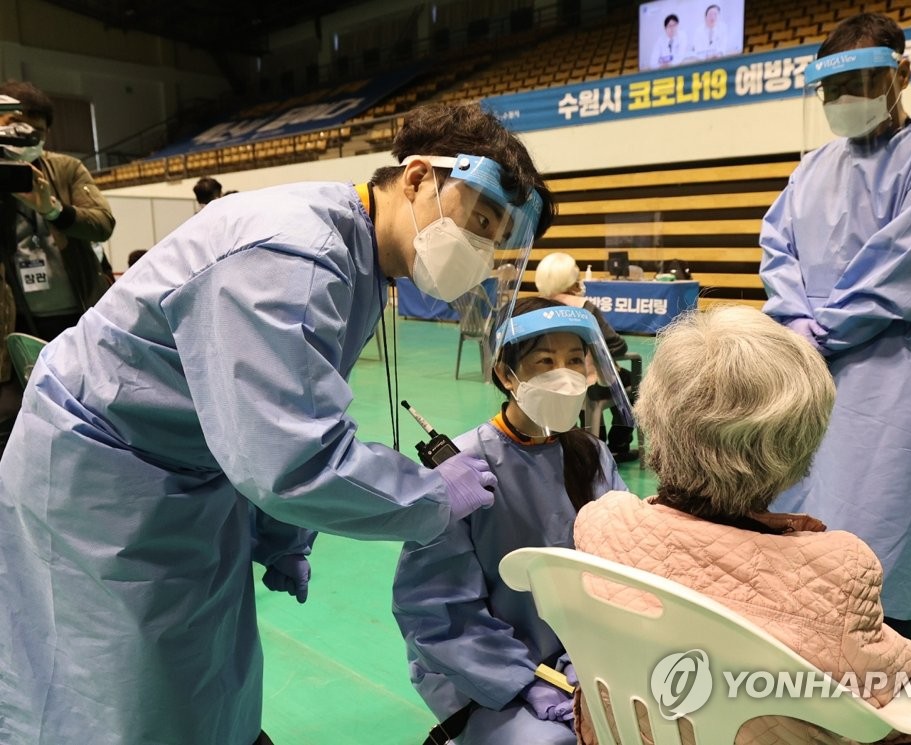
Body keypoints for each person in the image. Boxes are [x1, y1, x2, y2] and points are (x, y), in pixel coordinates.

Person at [0, 102, 554, 745]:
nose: (481, 250)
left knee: (202, 675)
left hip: (186, 468)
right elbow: (289, 454)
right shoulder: (295, 249)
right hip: (101, 481)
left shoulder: (357, 253)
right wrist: (433, 493)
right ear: (418, 178)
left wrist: (280, 534)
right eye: (480, 221)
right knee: (118, 690)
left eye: (496, 239)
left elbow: (282, 403)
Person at [573, 305, 911, 745]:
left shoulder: (600, 525)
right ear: (799, 442)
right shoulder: (838, 573)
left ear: (653, 414)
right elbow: (906, 702)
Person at [758, 12, 911, 638]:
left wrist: (819, 331)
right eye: (834, 92)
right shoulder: (811, 167)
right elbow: (778, 249)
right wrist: (795, 321)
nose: (847, 102)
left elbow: (905, 268)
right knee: (793, 534)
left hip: (895, 376)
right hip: (805, 373)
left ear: (901, 75)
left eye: (862, 84)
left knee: (876, 539)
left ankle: (876, 709)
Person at [393, 297, 628, 745]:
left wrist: (592, 655)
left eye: (575, 360)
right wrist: (521, 679)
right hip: (482, 674)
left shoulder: (591, 454)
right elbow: (438, 610)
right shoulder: (463, 471)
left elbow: (620, 566)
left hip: (582, 661)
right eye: (545, 362)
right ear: (506, 374)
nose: (564, 375)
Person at [0, 81, 114, 428]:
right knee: (19, 418)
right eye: (12, 126)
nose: (23, 136)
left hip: (76, 311)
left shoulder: (66, 169)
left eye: (34, 130)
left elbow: (103, 223)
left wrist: (55, 212)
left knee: (90, 412)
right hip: (15, 322)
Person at [534, 251, 638, 463]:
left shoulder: (535, 308)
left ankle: (588, 439)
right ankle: (619, 444)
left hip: (549, 382)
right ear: (571, 279)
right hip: (589, 384)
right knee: (633, 384)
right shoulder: (585, 308)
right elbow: (616, 346)